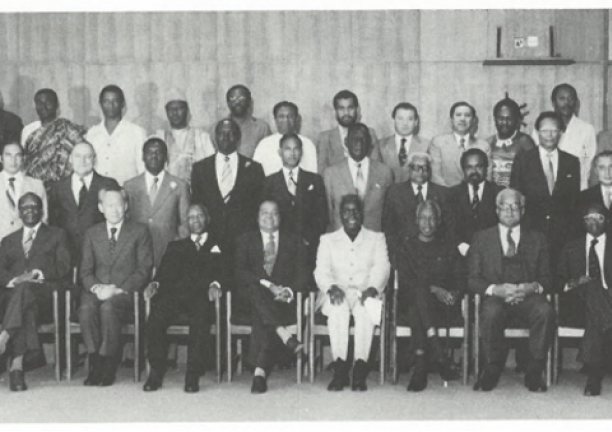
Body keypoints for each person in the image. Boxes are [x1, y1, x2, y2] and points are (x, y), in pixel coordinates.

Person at [469, 188, 556, 393]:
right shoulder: (481, 238)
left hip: (528, 297)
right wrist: (494, 289)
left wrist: (531, 287)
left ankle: (534, 371)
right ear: (496, 210)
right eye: (504, 207)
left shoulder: (538, 238)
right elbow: (472, 280)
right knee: (490, 313)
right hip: (497, 297)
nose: (509, 211)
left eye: (515, 206)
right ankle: (490, 369)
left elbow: (547, 278)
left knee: (545, 311)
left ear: (523, 210)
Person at [143, 203, 226, 394]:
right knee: (156, 316)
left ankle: (192, 375)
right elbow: (162, 275)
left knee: (200, 317)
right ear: (186, 222)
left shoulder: (219, 244)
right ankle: (156, 371)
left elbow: (225, 273)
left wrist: (216, 284)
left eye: (199, 216)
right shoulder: (176, 246)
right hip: (175, 297)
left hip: (202, 298)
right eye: (191, 217)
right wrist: (154, 284)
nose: (195, 220)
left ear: (207, 219)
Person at [79, 186, 153, 387]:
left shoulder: (139, 231)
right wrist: (97, 289)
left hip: (126, 293)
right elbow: (85, 271)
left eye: (119, 205)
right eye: (109, 205)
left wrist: (118, 290)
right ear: (101, 208)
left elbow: (143, 269)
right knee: (86, 309)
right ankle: (95, 360)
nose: (114, 210)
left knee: (109, 308)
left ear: (126, 206)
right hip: (97, 291)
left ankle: (108, 361)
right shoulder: (92, 233)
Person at [314, 195, 391, 392]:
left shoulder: (377, 238)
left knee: (365, 310)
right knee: (338, 309)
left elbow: (382, 266)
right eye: (347, 211)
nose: (351, 215)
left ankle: (359, 367)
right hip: (336, 291)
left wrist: (373, 288)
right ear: (340, 215)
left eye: (355, 210)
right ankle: (340, 366)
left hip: (364, 291)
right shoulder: (328, 240)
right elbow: (320, 270)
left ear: (362, 213)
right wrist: (331, 287)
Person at [236, 201, 309, 395]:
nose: (269, 217)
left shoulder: (293, 241)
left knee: (264, 315)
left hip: (282, 302)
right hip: (250, 303)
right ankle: (283, 333)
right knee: (256, 288)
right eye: (264, 213)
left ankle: (259, 371)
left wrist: (289, 291)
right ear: (257, 216)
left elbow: (304, 275)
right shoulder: (245, 239)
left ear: (281, 217)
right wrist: (269, 286)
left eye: (274, 213)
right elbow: (239, 272)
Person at [0, 193, 71, 392]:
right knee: (24, 302)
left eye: (34, 207)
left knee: (27, 291)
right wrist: (14, 280)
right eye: (25, 207)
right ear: (19, 212)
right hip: (15, 300)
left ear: (42, 211)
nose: (30, 211)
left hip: (46, 298)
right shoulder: (8, 240)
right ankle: (17, 368)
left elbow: (64, 266)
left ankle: (4, 336)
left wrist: (37, 273)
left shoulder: (57, 234)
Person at [396, 200, 464, 392]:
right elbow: (406, 283)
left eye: (432, 218)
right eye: (423, 218)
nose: (427, 223)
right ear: (416, 221)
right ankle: (437, 354)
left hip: (441, 308)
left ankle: (421, 366)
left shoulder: (448, 246)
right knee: (418, 297)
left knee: (418, 305)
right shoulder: (406, 247)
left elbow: (460, 277)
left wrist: (454, 293)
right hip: (412, 305)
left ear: (439, 221)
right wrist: (434, 289)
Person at [191, 118, 265, 279]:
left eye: (231, 133)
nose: (225, 137)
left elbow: (258, 208)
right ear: (215, 137)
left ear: (238, 138)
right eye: (221, 134)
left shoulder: (254, 168)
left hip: (243, 243)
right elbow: (196, 205)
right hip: (210, 242)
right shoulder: (200, 168)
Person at [511, 111, 581, 268]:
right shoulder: (523, 160)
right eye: (544, 130)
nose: (549, 135)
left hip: (562, 234)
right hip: (531, 231)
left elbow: (574, 201)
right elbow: (516, 196)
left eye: (554, 130)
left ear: (561, 132)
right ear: (536, 132)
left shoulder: (571, 161)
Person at [558, 202, 612, 396]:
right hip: (576, 305)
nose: (593, 222)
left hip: (604, 305)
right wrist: (573, 282)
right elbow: (556, 281)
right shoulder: (570, 247)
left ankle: (594, 376)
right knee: (590, 285)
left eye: (599, 217)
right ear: (582, 222)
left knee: (595, 316)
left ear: (607, 221)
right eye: (588, 218)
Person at [262, 133, 328, 268]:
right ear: (280, 152)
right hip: (280, 248)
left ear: (301, 151)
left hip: (308, 247)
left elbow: (322, 214)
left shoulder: (314, 180)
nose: (292, 153)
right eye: (287, 149)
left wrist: (309, 238)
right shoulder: (269, 182)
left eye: (296, 149)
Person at [48, 142, 119, 266]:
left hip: (99, 255)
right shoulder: (58, 187)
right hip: (67, 256)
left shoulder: (108, 185)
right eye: (78, 156)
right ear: (70, 159)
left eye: (88, 156)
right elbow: (53, 223)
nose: (83, 161)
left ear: (94, 159)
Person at [124, 138, 190, 268]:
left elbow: (185, 223)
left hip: (168, 254)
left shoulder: (180, 186)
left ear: (166, 157)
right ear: (143, 156)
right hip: (136, 253)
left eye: (159, 152)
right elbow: (125, 221)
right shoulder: (130, 186)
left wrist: (176, 248)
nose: (154, 155)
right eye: (150, 152)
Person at [382, 152, 454, 261]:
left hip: (435, 254)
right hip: (404, 255)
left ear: (429, 170)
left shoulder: (443, 193)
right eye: (416, 168)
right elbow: (388, 228)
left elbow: (449, 229)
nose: (420, 172)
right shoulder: (395, 192)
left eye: (424, 168)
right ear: (408, 169)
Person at [324, 123, 393, 233]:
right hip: (342, 241)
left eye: (363, 139)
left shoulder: (384, 172)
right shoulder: (331, 173)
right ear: (346, 142)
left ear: (370, 143)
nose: (359, 143)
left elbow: (389, 213)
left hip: (374, 240)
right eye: (354, 139)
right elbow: (329, 214)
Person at [532, 84, 596, 191]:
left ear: (576, 103)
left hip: (576, 189)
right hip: (544, 190)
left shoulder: (586, 130)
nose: (567, 102)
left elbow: (587, 165)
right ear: (553, 102)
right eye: (562, 98)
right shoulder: (541, 128)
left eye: (571, 98)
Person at [22, 89, 88, 184]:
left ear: (57, 105)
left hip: (63, 186)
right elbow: (25, 162)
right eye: (39, 103)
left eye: (48, 102)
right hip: (34, 185)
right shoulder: (28, 130)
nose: (43, 106)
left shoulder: (69, 129)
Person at [86, 85, 147, 185]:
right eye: (106, 101)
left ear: (122, 104)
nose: (111, 105)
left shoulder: (136, 132)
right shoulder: (92, 133)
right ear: (100, 104)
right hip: (98, 195)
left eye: (115, 101)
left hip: (126, 194)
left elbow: (143, 169)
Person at [154, 89, 215, 185]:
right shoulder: (159, 137)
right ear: (166, 112)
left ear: (186, 110)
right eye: (171, 109)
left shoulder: (202, 137)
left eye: (179, 108)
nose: (175, 113)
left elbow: (211, 169)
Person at [450, 149, 502, 259]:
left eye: (478, 166)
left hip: (492, 255)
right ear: (462, 170)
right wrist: (463, 247)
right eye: (469, 167)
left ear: (486, 168)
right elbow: (449, 227)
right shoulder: (451, 194)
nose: (474, 171)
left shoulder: (499, 193)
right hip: (459, 255)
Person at [316, 90, 381, 174]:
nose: (346, 113)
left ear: (357, 110)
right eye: (341, 108)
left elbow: (377, 169)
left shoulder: (369, 133)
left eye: (350, 108)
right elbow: (322, 173)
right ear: (335, 111)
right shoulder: (325, 138)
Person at [429, 101, 491, 188]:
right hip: (445, 197)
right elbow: (435, 176)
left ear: (473, 120)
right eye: (458, 115)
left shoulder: (483, 146)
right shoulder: (438, 143)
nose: (462, 119)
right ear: (451, 120)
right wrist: (451, 195)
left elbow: (487, 177)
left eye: (467, 115)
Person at [253, 101, 318, 176]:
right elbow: (256, 172)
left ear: (296, 119)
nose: (286, 120)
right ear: (275, 119)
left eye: (290, 116)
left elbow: (312, 172)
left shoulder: (307, 143)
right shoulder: (264, 144)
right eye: (281, 117)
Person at [0, 142, 47, 241]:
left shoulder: (36, 185)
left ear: (23, 159)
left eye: (18, 155)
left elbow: (44, 218)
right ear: (1, 158)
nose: (13, 160)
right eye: (8, 155)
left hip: (26, 247)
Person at [486, 97, 536, 188]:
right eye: (500, 118)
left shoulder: (524, 142)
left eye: (509, 119)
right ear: (495, 119)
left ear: (517, 120)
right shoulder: (488, 142)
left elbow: (533, 174)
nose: (504, 122)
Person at [211, 85, 272, 158]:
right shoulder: (217, 127)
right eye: (232, 98)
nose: (237, 102)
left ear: (249, 102)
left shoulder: (261, 128)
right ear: (228, 103)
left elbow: (268, 156)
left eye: (241, 98)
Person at [379, 102, 430, 183]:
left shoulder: (427, 145)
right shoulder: (381, 145)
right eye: (400, 118)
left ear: (416, 122)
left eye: (410, 119)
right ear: (393, 120)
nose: (405, 123)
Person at [579, 151, 612, 224]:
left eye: (611, 167)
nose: (607, 172)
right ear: (596, 170)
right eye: (602, 168)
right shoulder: (584, 197)